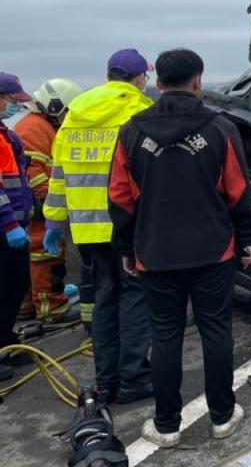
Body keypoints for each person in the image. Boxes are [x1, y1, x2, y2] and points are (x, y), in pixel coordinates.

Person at [109, 49, 251, 448]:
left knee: (166, 335)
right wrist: (246, 239)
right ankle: (223, 417)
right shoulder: (220, 128)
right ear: (198, 81)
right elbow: (239, 192)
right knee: (215, 330)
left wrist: (126, 247)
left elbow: (120, 198)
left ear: (157, 83)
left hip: (155, 253)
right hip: (213, 251)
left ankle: (167, 424)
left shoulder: (132, 131)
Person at [44, 50, 154, 404]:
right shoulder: (137, 112)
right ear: (138, 78)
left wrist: (53, 221)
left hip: (87, 231)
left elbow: (58, 175)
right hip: (127, 227)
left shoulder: (74, 116)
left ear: (108, 75)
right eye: (144, 77)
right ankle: (134, 378)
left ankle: (106, 381)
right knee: (135, 299)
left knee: (105, 300)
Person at [13, 78, 84, 323]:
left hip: (29, 205)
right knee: (45, 255)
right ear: (55, 106)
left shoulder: (35, 125)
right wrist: (48, 201)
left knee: (28, 255)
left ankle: (25, 305)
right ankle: (51, 307)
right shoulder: (35, 128)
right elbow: (32, 171)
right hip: (38, 205)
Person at [0, 73, 35, 382]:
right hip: (5, 225)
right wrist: (9, 222)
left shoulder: (7, 136)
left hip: (13, 225)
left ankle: (5, 339)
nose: (13, 108)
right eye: (12, 102)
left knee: (15, 283)